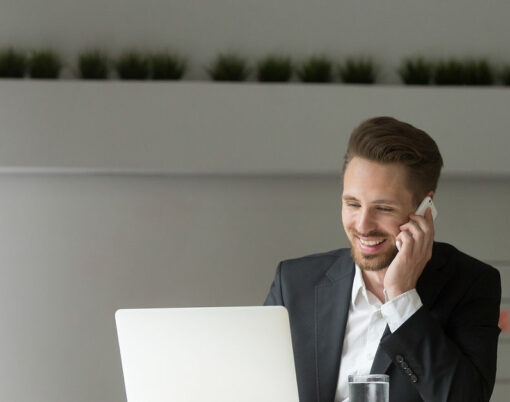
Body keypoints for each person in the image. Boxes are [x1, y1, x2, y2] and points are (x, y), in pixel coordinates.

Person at [264, 116, 501, 402]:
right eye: (352, 204)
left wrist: (402, 298)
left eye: (384, 208)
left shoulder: (471, 284)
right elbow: (249, 383)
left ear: (425, 207)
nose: (363, 225)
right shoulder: (294, 283)